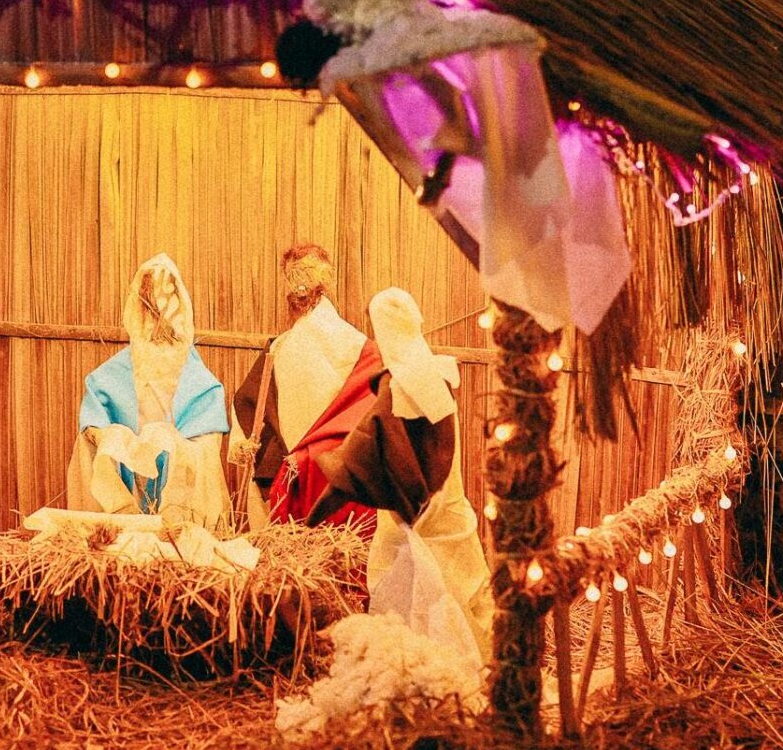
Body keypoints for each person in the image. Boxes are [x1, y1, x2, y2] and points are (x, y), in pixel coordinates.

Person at [307, 287, 494, 661]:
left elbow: (368, 447)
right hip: (448, 503)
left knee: (403, 585)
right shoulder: (435, 372)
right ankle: (477, 656)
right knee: (458, 578)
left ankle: (421, 660)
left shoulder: (400, 386)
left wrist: (331, 475)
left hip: (416, 511)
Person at [66, 253, 233, 530]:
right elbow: (94, 411)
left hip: (175, 465)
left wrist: (178, 446)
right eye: (150, 305)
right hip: (129, 469)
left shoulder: (191, 370)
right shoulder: (119, 368)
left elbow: (207, 424)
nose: (158, 314)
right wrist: (109, 437)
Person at [234, 244, 385, 531]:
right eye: (295, 275)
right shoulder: (282, 348)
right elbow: (250, 402)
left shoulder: (351, 347)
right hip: (311, 466)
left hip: (321, 468)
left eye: (303, 274)